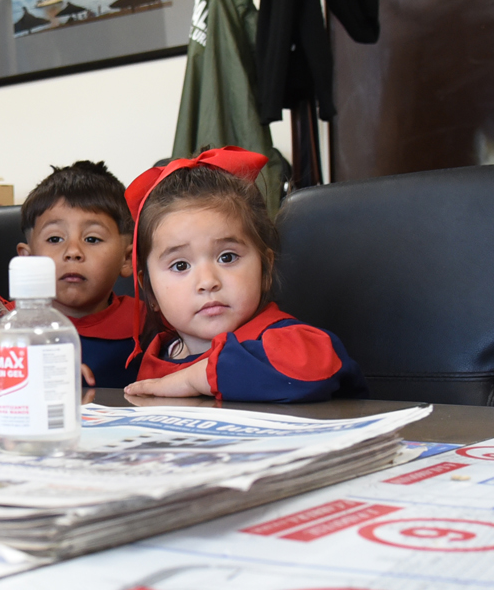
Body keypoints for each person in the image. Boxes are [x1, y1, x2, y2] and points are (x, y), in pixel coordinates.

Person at [121, 147, 366, 402]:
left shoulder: (286, 341)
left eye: (227, 257)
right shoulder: (157, 355)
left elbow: (315, 368)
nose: (208, 282)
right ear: (150, 291)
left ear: (265, 269)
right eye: (180, 266)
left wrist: (197, 377)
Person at [16, 161, 141, 388]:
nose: (73, 252)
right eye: (55, 239)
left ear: (126, 259)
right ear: (28, 259)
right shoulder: (6, 327)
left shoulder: (149, 327)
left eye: (92, 239)